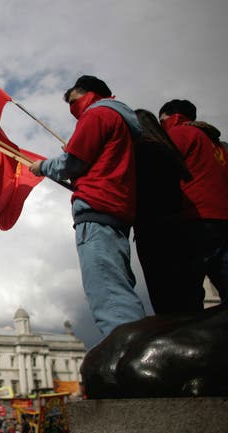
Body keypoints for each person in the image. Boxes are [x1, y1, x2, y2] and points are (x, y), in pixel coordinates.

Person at [29, 75, 146, 336]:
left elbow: (72, 162)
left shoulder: (97, 115)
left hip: (97, 208)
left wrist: (43, 167)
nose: (73, 110)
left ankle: (126, 354)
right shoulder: (122, 120)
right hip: (117, 209)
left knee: (108, 292)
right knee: (118, 282)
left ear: (87, 94)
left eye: (73, 101)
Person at [159, 99, 228, 307]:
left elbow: (160, 172)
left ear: (172, 117)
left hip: (195, 218)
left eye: (162, 122)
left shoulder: (179, 134)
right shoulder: (219, 146)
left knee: (185, 292)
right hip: (223, 221)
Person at [133, 109, 192, 313]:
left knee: (166, 299)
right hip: (181, 227)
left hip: (153, 230)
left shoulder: (141, 152)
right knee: (188, 296)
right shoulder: (168, 151)